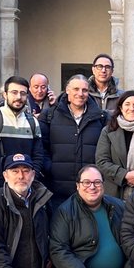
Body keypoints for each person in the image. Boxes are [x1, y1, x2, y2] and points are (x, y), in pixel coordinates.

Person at [39, 74, 106, 209]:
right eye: (76, 89)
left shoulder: (102, 117)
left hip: (89, 189)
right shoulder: (49, 115)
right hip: (57, 189)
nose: (80, 94)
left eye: (84, 90)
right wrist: (51, 168)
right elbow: (41, 147)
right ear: (67, 90)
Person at [0, 75, 49, 192]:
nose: (18, 97)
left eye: (23, 93)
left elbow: (38, 155)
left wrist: (30, 181)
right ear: (5, 94)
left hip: (25, 188)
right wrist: (3, 184)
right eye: (14, 92)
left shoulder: (33, 122)